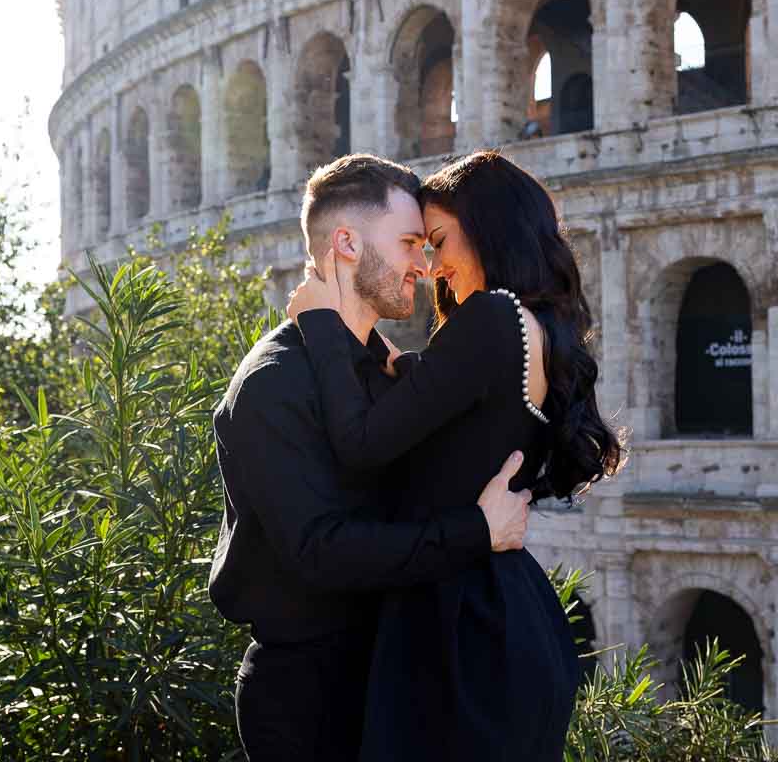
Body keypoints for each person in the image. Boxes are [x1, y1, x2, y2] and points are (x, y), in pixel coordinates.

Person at [287, 150, 623, 761]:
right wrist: (396, 362)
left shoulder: (493, 317)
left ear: (489, 225)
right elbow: (462, 412)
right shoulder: (538, 327)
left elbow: (362, 444)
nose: (435, 269)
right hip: (502, 611)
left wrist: (320, 325)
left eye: (438, 242)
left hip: (458, 621)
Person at [208, 154, 535, 761]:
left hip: (394, 678)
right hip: (312, 698)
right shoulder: (273, 382)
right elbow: (320, 551)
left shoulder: (382, 374)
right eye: (411, 242)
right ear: (347, 243)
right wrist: (477, 531)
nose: (425, 263)